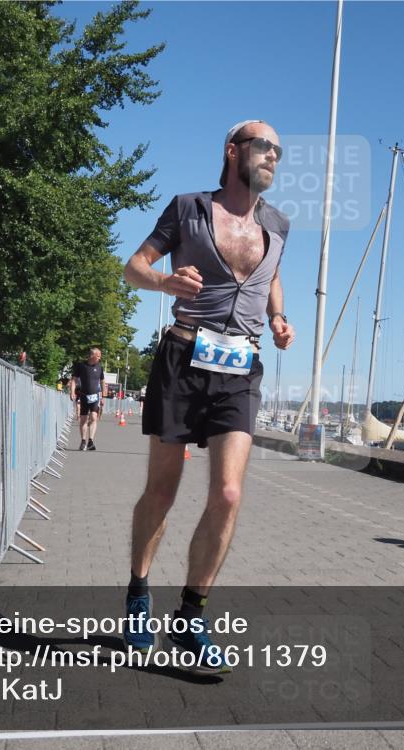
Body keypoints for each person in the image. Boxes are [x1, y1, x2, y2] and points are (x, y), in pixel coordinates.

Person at [121, 120, 295, 673]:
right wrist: (163, 282)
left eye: (278, 150)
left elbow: (272, 275)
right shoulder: (188, 208)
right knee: (162, 491)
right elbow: (134, 267)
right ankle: (138, 591)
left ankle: (190, 615)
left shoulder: (278, 224)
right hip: (183, 357)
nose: (273, 156)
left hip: (240, 368)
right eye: (263, 146)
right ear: (232, 151)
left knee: (228, 492)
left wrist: (279, 316)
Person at [69, 348, 106, 451]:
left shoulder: (100, 367)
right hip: (84, 396)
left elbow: (103, 382)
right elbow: (74, 380)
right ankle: (83, 441)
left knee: (94, 417)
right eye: (98, 356)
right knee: (83, 419)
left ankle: (91, 441)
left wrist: (103, 396)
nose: (100, 358)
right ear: (92, 356)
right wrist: (72, 392)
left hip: (95, 396)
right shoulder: (81, 366)